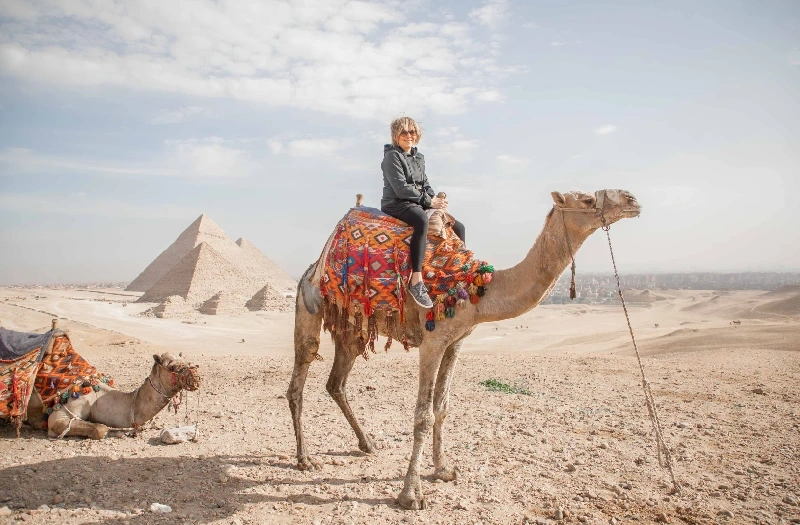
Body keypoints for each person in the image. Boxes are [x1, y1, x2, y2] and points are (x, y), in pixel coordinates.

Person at [380, 116, 466, 309]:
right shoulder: (391, 157)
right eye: (403, 132)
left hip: (418, 201)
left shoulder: (419, 157)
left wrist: (437, 201)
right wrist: (428, 201)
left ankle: (459, 272)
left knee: (457, 226)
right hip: (396, 203)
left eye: (412, 132)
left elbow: (425, 184)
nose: (408, 135)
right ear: (396, 135)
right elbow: (401, 188)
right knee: (421, 220)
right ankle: (416, 281)